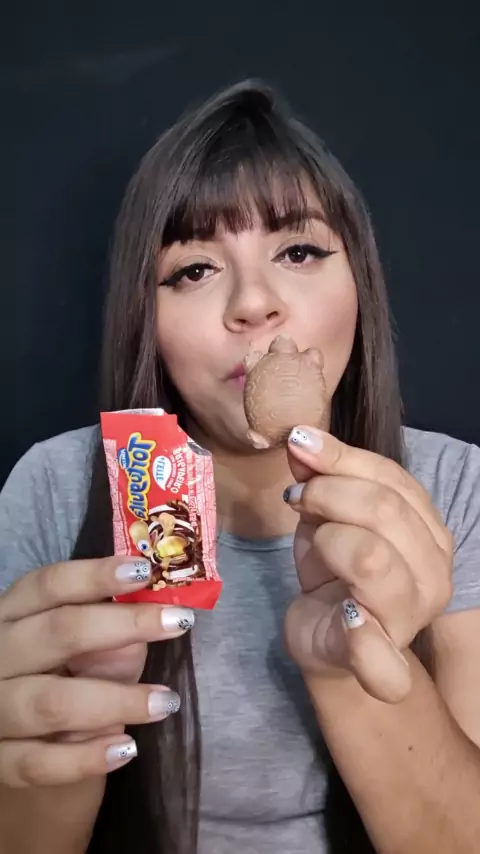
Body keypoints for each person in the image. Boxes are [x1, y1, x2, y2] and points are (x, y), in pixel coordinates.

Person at [0, 79, 479, 854]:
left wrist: (347, 662)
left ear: (360, 283)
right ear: (146, 317)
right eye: (194, 269)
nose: (254, 304)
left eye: (298, 251)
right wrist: (70, 725)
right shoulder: (55, 489)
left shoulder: (456, 486)